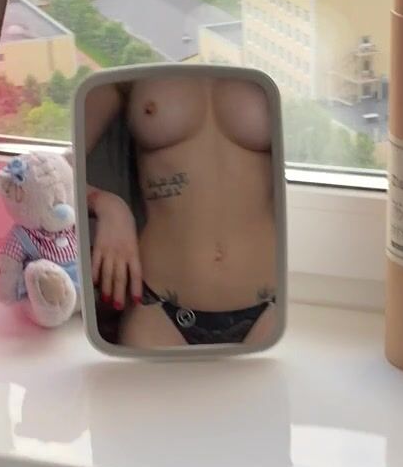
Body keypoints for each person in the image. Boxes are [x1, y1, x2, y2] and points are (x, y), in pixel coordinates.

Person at [84, 72, 278, 349]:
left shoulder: (266, 74)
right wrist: (106, 204)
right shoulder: (126, 74)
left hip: (272, 311)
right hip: (158, 311)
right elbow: (56, 168)